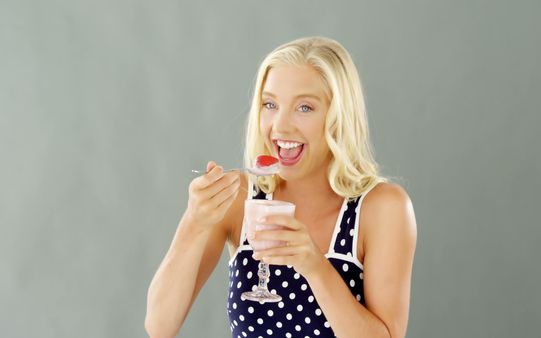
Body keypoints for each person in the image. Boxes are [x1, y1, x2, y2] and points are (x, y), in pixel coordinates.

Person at [145, 36, 417, 338]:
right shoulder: (239, 200)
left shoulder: (383, 208)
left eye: (305, 107)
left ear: (339, 117)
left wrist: (314, 266)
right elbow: (159, 326)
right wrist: (193, 223)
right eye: (270, 104)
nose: (280, 125)